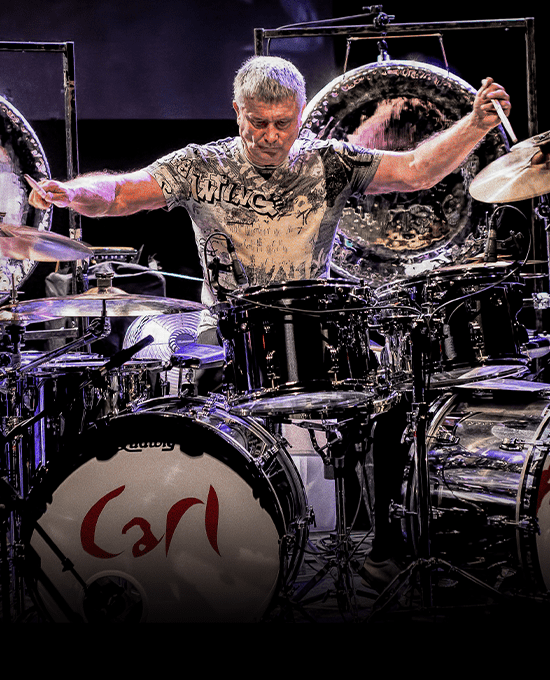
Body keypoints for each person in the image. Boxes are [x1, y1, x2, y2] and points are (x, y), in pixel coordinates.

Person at [28, 55, 511, 589]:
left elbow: (416, 169)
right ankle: (213, 538)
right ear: (237, 111)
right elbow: (121, 192)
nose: (270, 136)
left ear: (301, 113)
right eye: (257, 122)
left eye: (283, 123)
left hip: (315, 334)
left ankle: (383, 549)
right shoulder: (199, 166)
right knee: (190, 394)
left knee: (392, 399)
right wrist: (73, 193)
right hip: (227, 332)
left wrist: (475, 124)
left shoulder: (330, 162)